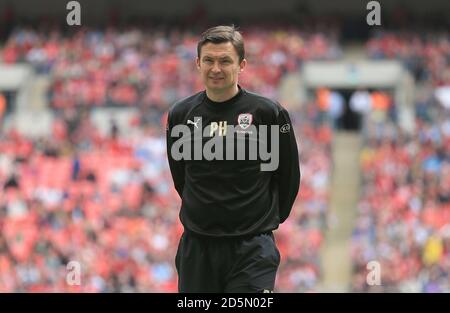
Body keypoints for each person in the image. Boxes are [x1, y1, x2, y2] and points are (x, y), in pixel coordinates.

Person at [166, 25, 300, 293]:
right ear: (197, 63)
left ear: (242, 65)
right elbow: (181, 177)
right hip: (198, 248)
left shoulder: (268, 114)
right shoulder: (180, 115)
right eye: (209, 60)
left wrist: (262, 223)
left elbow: (288, 176)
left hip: (251, 249)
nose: (216, 68)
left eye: (225, 61)